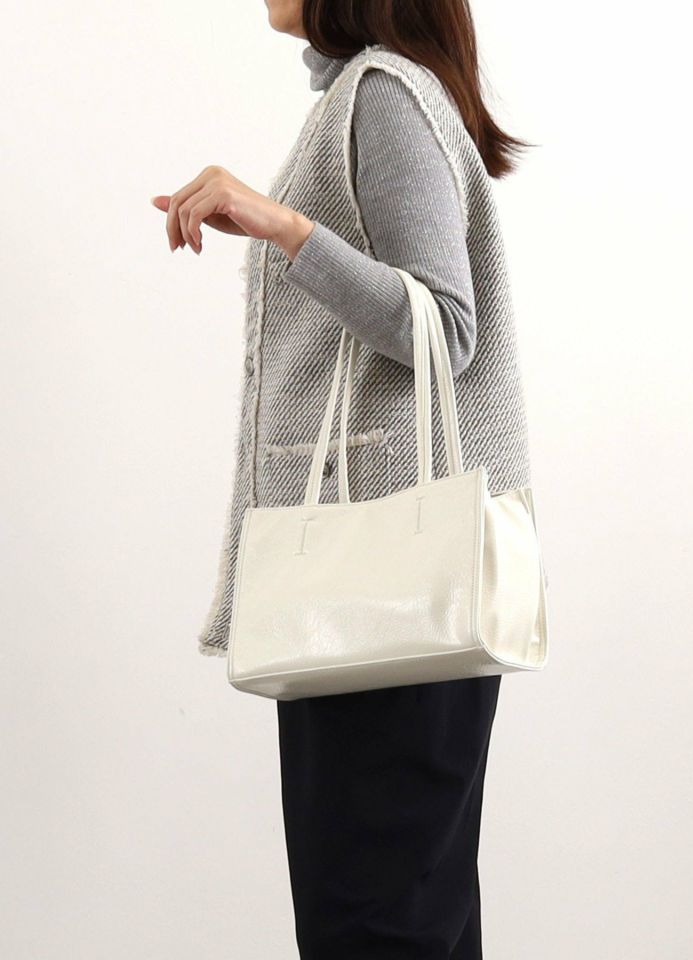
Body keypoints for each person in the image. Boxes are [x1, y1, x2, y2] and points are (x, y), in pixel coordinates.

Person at [151, 2, 536, 957]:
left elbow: (444, 325)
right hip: (389, 606)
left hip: (387, 605)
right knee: (409, 923)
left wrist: (287, 229)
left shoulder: (385, 95)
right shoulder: (375, 93)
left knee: (372, 928)